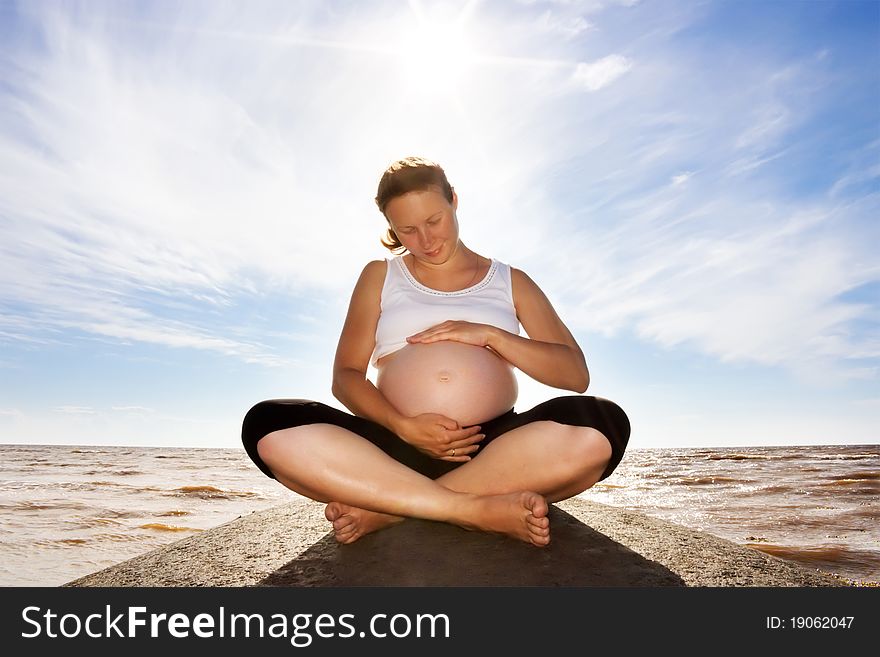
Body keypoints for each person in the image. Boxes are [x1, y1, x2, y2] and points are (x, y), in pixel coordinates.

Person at [242, 156, 630, 547]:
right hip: (392, 446)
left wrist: (490, 335)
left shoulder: (512, 281)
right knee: (269, 425)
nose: (425, 241)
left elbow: (574, 374)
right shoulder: (381, 275)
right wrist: (402, 426)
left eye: (434, 221)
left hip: (494, 450)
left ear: (454, 202)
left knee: (600, 425)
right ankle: (469, 510)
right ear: (391, 228)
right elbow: (345, 377)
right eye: (407, 230)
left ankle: (391, 506)